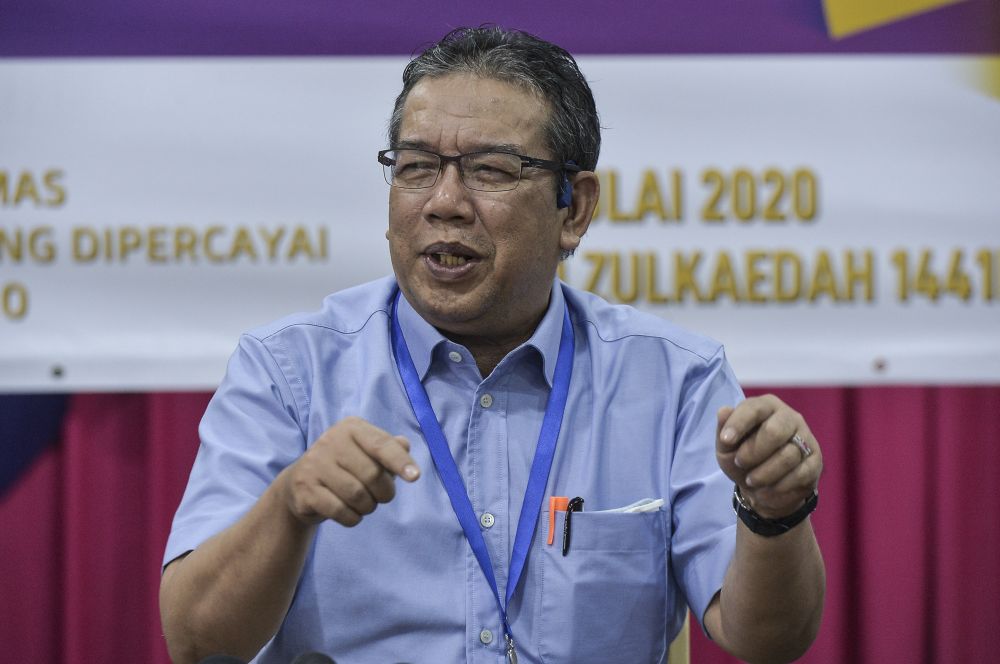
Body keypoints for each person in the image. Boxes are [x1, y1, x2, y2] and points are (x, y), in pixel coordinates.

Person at [160, 26, 825, 664]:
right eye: (416, 167)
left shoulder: (674, 382)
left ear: (575, 209)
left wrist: (773, 513)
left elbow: (768, 639)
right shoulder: (289, 372)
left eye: (491, 171)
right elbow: (197, 644)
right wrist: (289, 506)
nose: (444, 202)